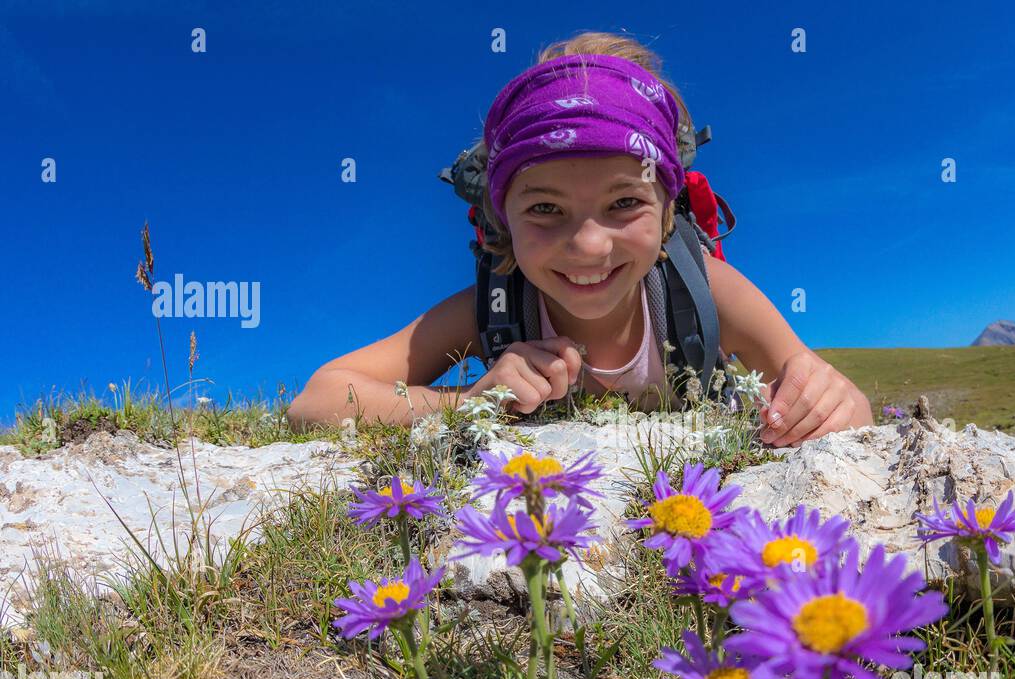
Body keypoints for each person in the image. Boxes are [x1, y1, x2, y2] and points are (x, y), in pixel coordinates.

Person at [288, 32, 872, 448]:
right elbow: (316, 399)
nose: (589, 245)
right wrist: (473, 405)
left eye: (624, 202)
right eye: (545, 208)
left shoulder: (705, 291)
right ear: (501, 220)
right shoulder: (493, 309)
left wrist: (829, 399)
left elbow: (838, 400)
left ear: (668, 211)